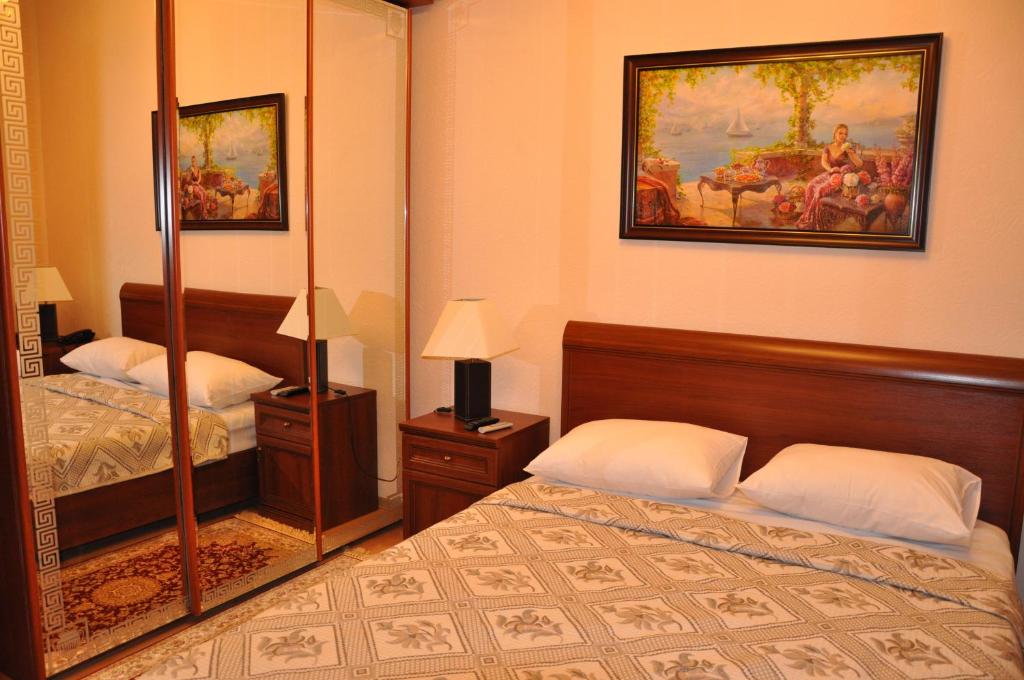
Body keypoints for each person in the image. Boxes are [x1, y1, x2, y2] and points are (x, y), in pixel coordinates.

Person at [795, 123, 863, 229]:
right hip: (830, 173)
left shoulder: (848, 148)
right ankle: (808, 215)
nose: (843, 136)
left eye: (845, 134)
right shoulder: (828, 147)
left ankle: (816, 220)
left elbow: (859, 164)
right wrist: (830, 169)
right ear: (835, 133)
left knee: (820, 190)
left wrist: (850, 153)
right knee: (810, 186)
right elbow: (824, 162)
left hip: (841, 176)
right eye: (840, 133)